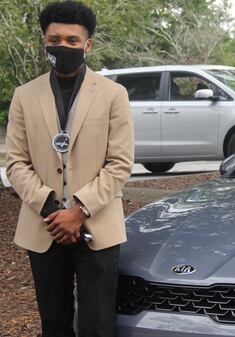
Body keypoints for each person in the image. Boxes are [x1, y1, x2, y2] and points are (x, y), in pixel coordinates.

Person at [5, 1, 134, 336]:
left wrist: (79, 210)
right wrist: (52, 211)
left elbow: (120, 163)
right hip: (44, 227)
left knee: (98, 323)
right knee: (54, 322)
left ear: (87, 45)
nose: (63, 47)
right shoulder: (24, 96)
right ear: (45, 42)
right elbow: (16, 162)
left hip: (97, 226)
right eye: (55, 39)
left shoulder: (113, 95)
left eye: (73, 41)